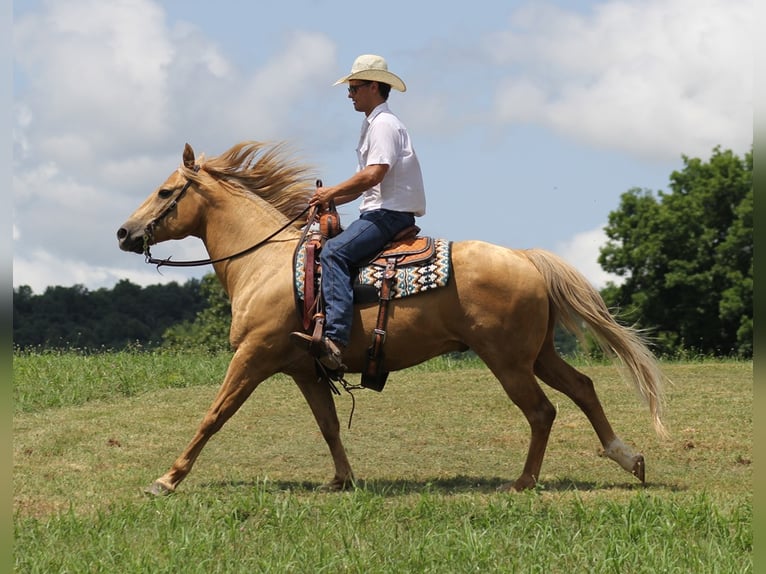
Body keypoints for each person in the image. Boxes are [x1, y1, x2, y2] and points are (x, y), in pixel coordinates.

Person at [290, 54, 426, 370]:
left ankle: (335, 340)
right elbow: (362, 185)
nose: (349, 95)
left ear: (373, 87)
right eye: (349, 89)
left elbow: (374, 174)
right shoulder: (372, 126)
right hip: (380, 211)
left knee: (334, 253)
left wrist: (331, 191)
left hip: (388, 214)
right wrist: (329, 200)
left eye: (354, 88)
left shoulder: (384, 125)